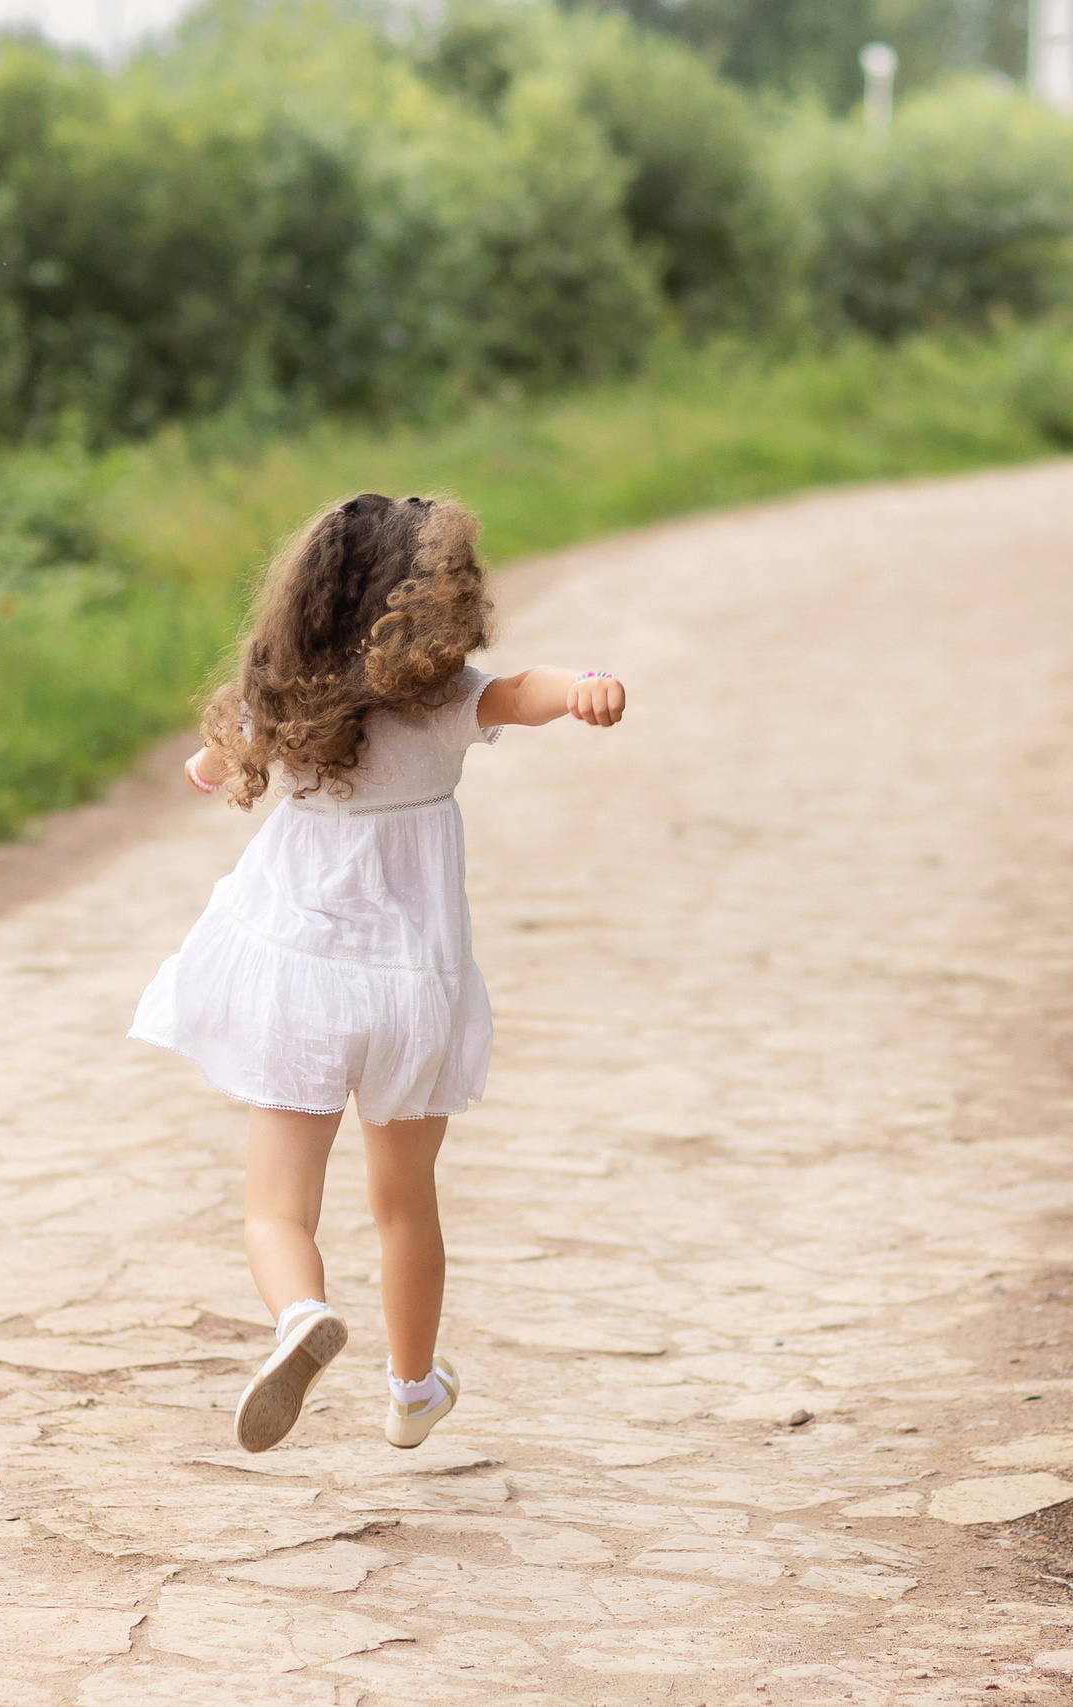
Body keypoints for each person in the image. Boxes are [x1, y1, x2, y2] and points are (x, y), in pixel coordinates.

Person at [130, 494, 624, 1453]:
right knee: (406, 1204)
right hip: (411, 990)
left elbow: (203, 771)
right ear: (440, 603)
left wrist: (236, 735)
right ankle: (410, 1387)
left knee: (277, 1207)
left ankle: (301, 1315)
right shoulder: (446, 701)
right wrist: (592, 683)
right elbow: (530, 688)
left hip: (296, 982)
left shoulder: (282, 701)